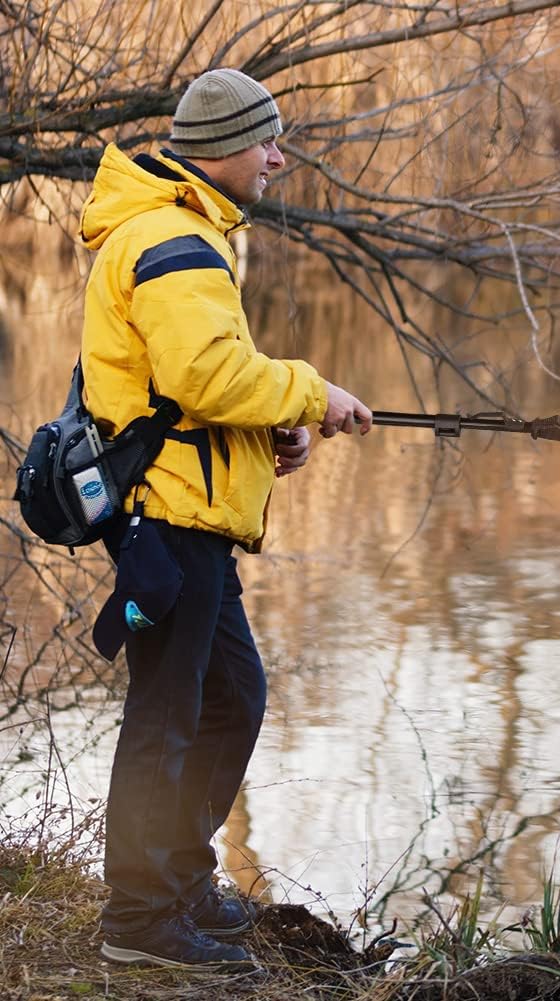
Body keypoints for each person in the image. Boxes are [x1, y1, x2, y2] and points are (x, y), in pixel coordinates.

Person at [78, 68, 372, 972]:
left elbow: (196, 382)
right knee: (169, 715)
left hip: (193, 516)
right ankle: (140, 920)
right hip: (171, 522)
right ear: (221, 150)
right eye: (265, 141)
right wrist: (314, 392)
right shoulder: (177, 240)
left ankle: (177, 881)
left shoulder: (188, 231)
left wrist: (273, 430)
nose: (278, 157)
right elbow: (202, 378)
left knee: (230, 699)